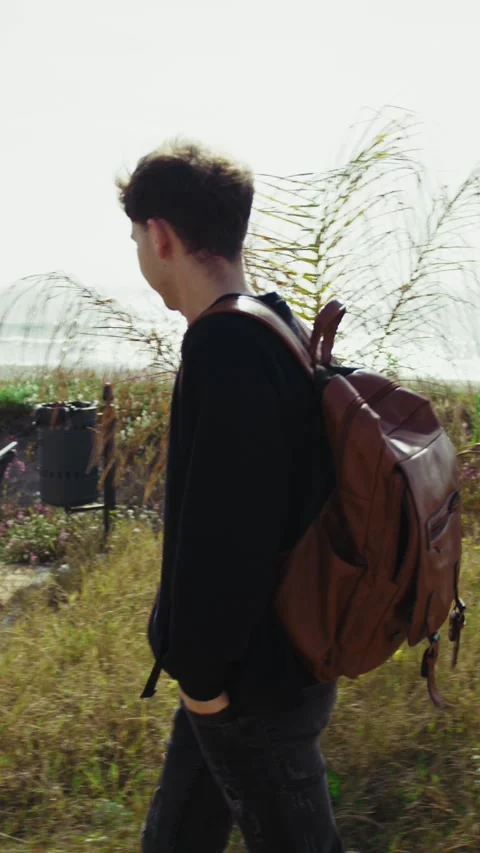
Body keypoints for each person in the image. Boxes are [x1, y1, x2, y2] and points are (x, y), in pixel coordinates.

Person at [116, 141, 346, 853]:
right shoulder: (275, 325)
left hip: (249, 689)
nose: (139, 253)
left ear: (161, 235)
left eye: (135, 238)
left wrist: (205, 684)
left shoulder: (225, 349)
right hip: (260, 670)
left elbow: (227, 538)